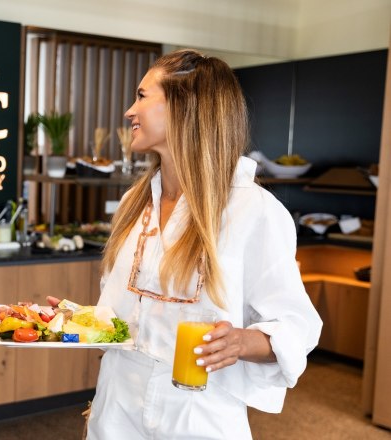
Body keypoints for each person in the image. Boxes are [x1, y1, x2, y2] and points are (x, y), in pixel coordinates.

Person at [50, 49, 322, 439]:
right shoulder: (134, 203)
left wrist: (243, 341)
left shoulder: (253, 210)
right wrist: (71, 321)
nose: (129, 110)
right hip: (117, 402)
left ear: (184, 107)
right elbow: (121, 311)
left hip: (198, 410)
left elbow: (297, 325)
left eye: (142, 96)